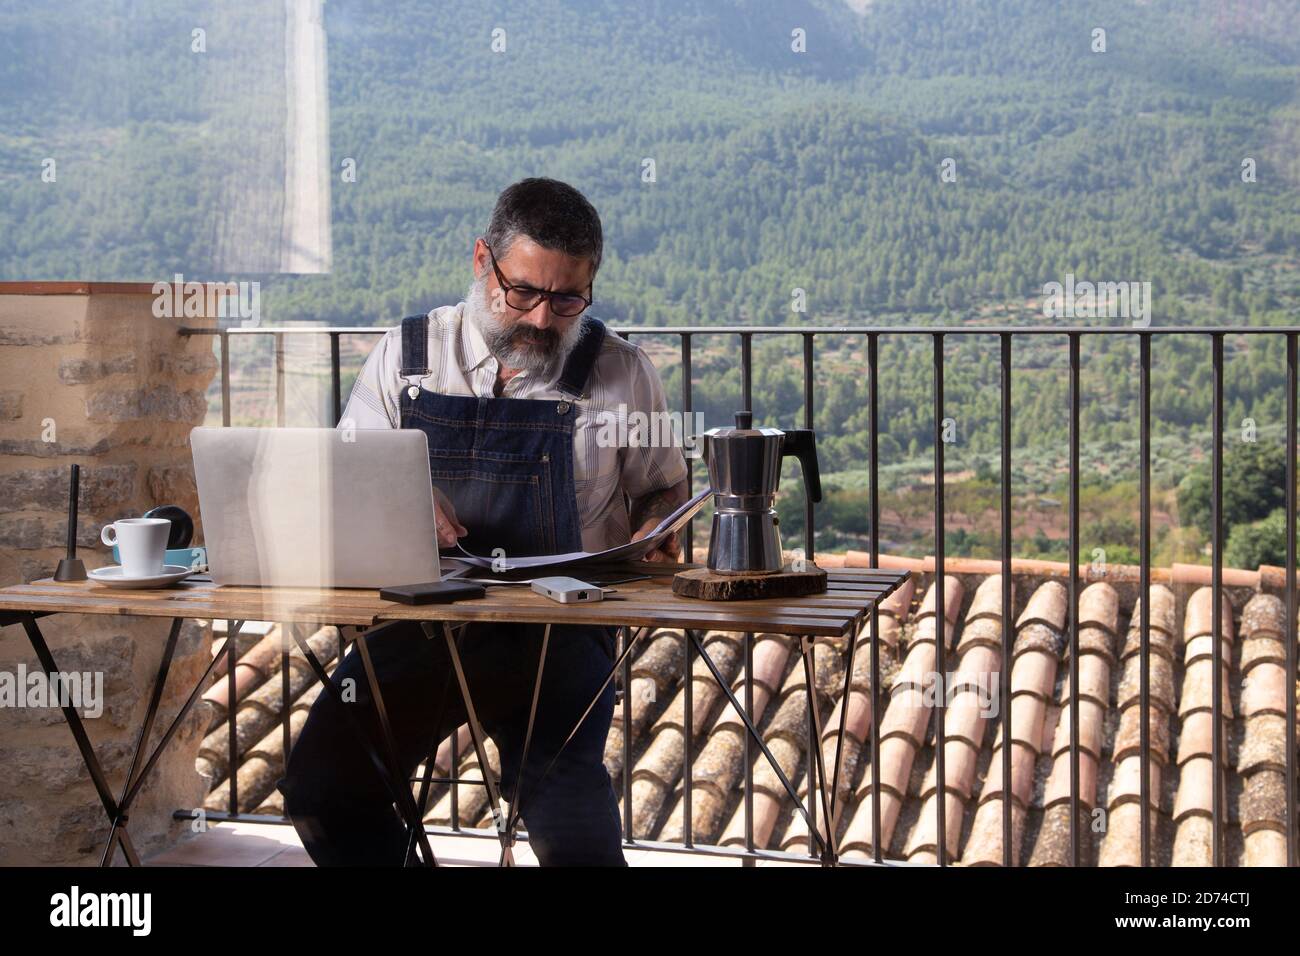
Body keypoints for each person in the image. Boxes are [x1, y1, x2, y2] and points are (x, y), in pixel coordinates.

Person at [277, 177, 690, 866]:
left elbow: (661, 494)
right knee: (321, 789)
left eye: (566, 301)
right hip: (427, 622)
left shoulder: (621, 372)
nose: (539, 318)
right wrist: (407, 498)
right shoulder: (409, 357)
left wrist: (660, 533)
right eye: (522, 292)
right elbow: (347, 484)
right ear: (481, 261)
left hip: (561, 633)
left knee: (567, 823)